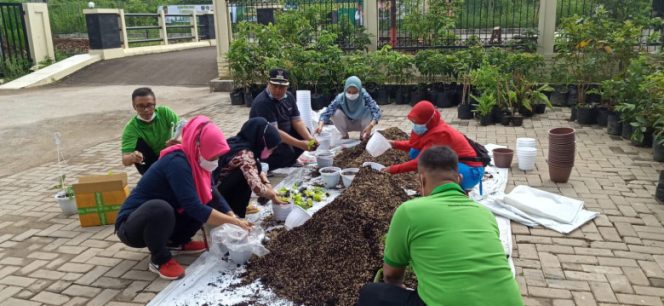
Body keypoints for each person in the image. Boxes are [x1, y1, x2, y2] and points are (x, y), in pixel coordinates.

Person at [358, 146, 523, 306]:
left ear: (422, 180)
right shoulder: (485, 213)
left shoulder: (409, 211)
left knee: (371, 293)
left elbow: (392, 276)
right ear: (459, 179)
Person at [116, 115, 251, 280]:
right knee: (162, 208)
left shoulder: (195, 160)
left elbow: (211, 192)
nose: (215, 162)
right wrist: (234, 222)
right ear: (199, 146)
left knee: (203, 199)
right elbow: (194, 207)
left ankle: (177, 242)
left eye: (217, 157)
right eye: (213, 157)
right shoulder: (177, 162)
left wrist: (231, 214)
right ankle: (159, 259)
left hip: (163, 219)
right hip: (133, 226)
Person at [383, 101, 484, 192]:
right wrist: (394, 144)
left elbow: (418, 162)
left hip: (471, 171)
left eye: (417, 123)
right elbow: (415, 145)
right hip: (459, 162)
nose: (415, 126)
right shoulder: (432, 125)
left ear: (428, 120)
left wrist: (391, 169)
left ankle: (455, 190)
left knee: (432, 168)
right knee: (415, 151)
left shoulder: (440, 133)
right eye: (414, 122)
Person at [215, 118, 287, 218]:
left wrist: (267, 183)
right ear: (261, 141)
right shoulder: (245, 155)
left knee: (255, 167)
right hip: (217, 194)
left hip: (218, 187)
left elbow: (257, 168)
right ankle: (235, 212)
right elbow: (257, 188)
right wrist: (273, 196)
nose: (270, 152)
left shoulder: (240, 142)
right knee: (245, 176)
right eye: (270, 148)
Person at [249, 68, 318, 170]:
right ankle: (266, 164)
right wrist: (300, 144)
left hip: (281, 135)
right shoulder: (263, 102)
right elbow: (274, 132)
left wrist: (310, 139)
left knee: (305, 132)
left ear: (287, 86)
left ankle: (289, 161)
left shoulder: (289, 97)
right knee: (287, 151)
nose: (278, 90)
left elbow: (297, 120)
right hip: (265, 140)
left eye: (282, 87)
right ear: (268, 84)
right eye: (275, 86)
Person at [121, 87, 180, 175]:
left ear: (155, 103)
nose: (146, 110)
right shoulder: (131, 128)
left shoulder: (165, 113)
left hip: (170, 155)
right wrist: (132, 157)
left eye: (149, 105)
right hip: (149, 162)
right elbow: (125, 160)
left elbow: (184, 129)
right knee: (139, 143)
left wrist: (178, 141)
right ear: (134, 106)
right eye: (141, 106)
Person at [315, 76, 381, 140]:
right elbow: (328, 112)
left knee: (370, 111)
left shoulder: (364, 96)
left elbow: (376, 111)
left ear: (360, 90)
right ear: (345, 90)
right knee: (335, 113)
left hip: (361, 122)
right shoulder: (340, 98)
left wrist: (371, 126)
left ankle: (363, 135)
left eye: (355, 92)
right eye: (349, 92)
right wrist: (320, 126)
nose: (351, 94)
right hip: (347, 123)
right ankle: (344, 135)